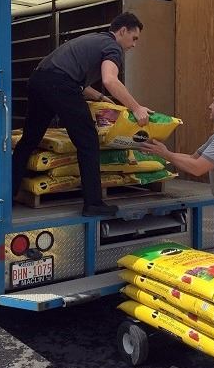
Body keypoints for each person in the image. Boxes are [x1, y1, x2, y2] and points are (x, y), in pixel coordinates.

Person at [12, 12, 152, 217]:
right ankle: (93, 203)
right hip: (59, 84)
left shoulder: (94, 40)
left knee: (30, 139)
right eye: (134, 38)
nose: (134, 45)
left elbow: (73, 76)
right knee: (88, 140)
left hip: (39, 80)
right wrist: (136, 107)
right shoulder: (113, 47)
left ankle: (9, 193)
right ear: (122, 31)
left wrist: (98, 97)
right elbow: (110, 80)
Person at [138, 85, 214, 265]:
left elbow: (197, 168)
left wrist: (166, 154)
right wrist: (160, 151)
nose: (209, 106)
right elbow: (192, 158)